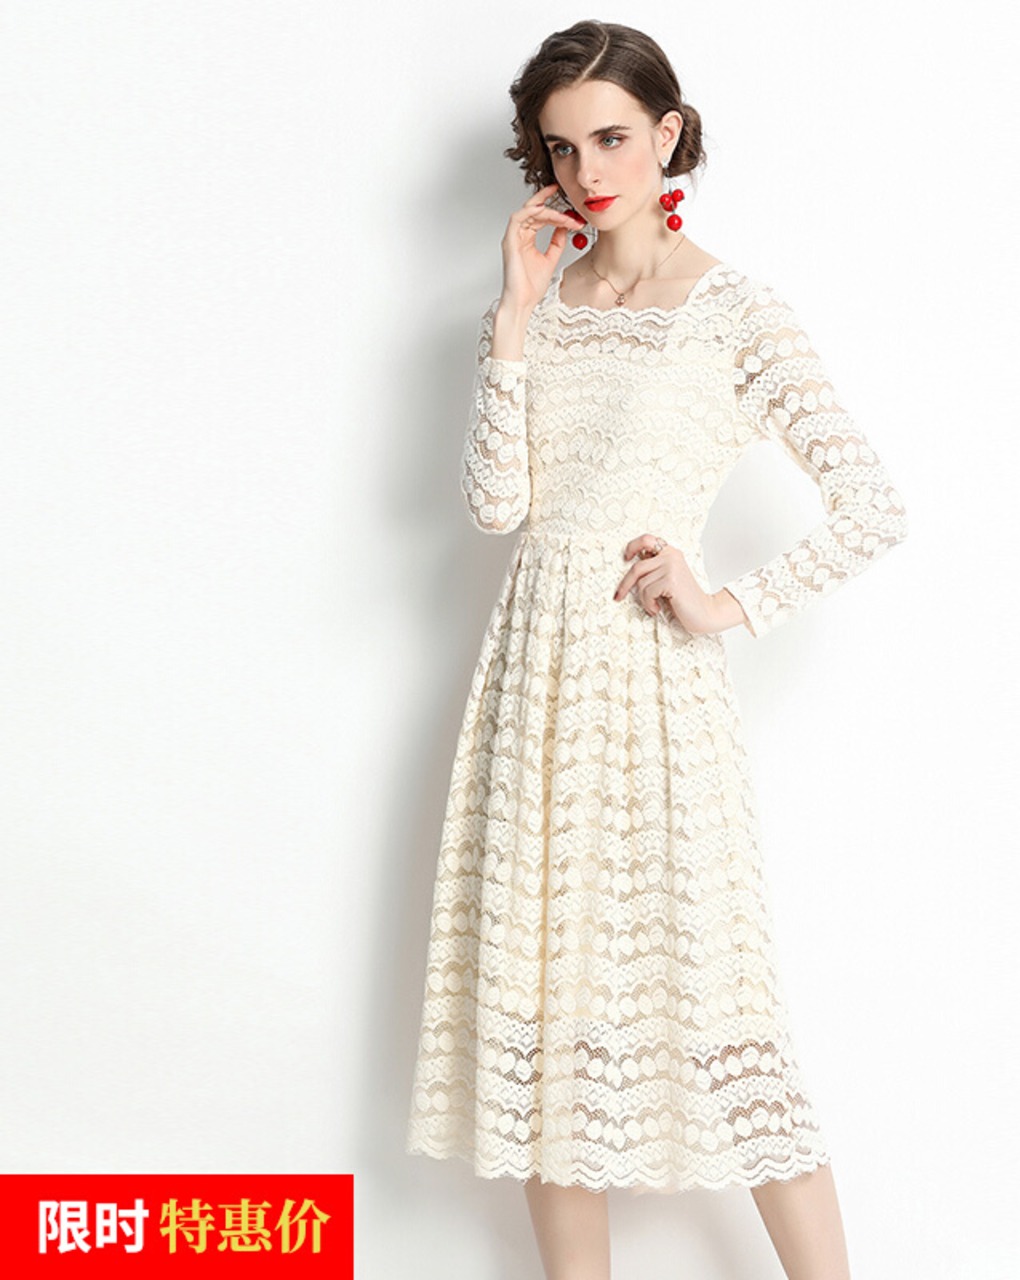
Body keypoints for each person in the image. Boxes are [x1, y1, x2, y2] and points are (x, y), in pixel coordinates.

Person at [405, 20, 908, 1280]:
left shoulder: (733, 313)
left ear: (668, 134)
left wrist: (726, 600)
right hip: (529, 688)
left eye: (613, 138)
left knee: (725, 1016)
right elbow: (495, 506)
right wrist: (513, 316)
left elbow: (869, 503)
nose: (588, 172)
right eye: (561, 149)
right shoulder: (534, 309)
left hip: (651, 689)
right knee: (546, 1024)